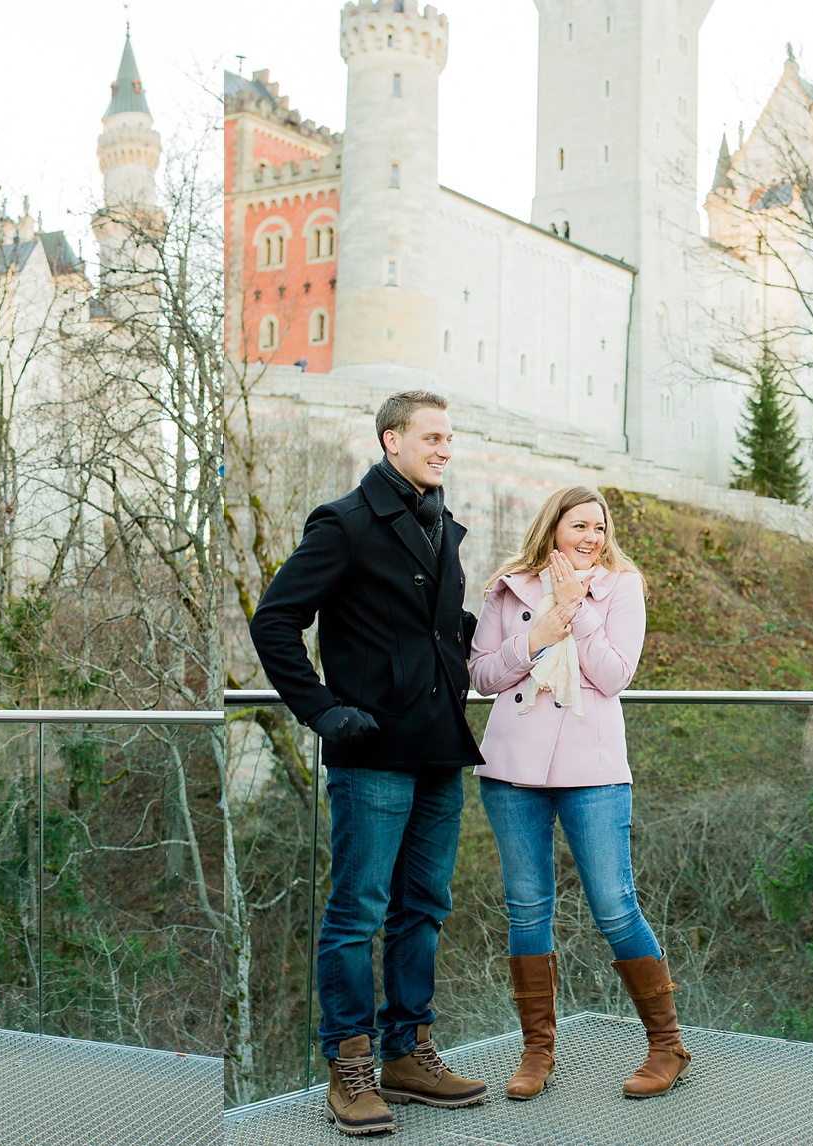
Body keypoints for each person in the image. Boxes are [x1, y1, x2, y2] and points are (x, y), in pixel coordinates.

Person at [250, 391, 487, 1136]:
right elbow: (276, 620)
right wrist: (321, 710)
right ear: (391, 440)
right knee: (357, 912)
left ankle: (409, 1053)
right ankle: (350, 1066)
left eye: (450, 437)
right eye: (432, 436)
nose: (445, 448)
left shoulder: (442, 523)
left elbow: (440, 630)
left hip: (440, 748)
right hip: (372, 751)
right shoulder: (345, 523)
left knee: (427, 907)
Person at [468, 486, 690, 1101]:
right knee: (526, 907)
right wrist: (539, 629)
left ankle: (667, 1045)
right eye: (579, 526)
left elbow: (615, 674)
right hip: (512, 769)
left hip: (592, 769)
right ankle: (537, 1053)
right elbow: (482, 675)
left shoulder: (621, 586)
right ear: (552, 530)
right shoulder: (509, 586)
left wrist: (578, 606)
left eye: (599, 526)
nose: (591, 537)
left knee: (615, 904)